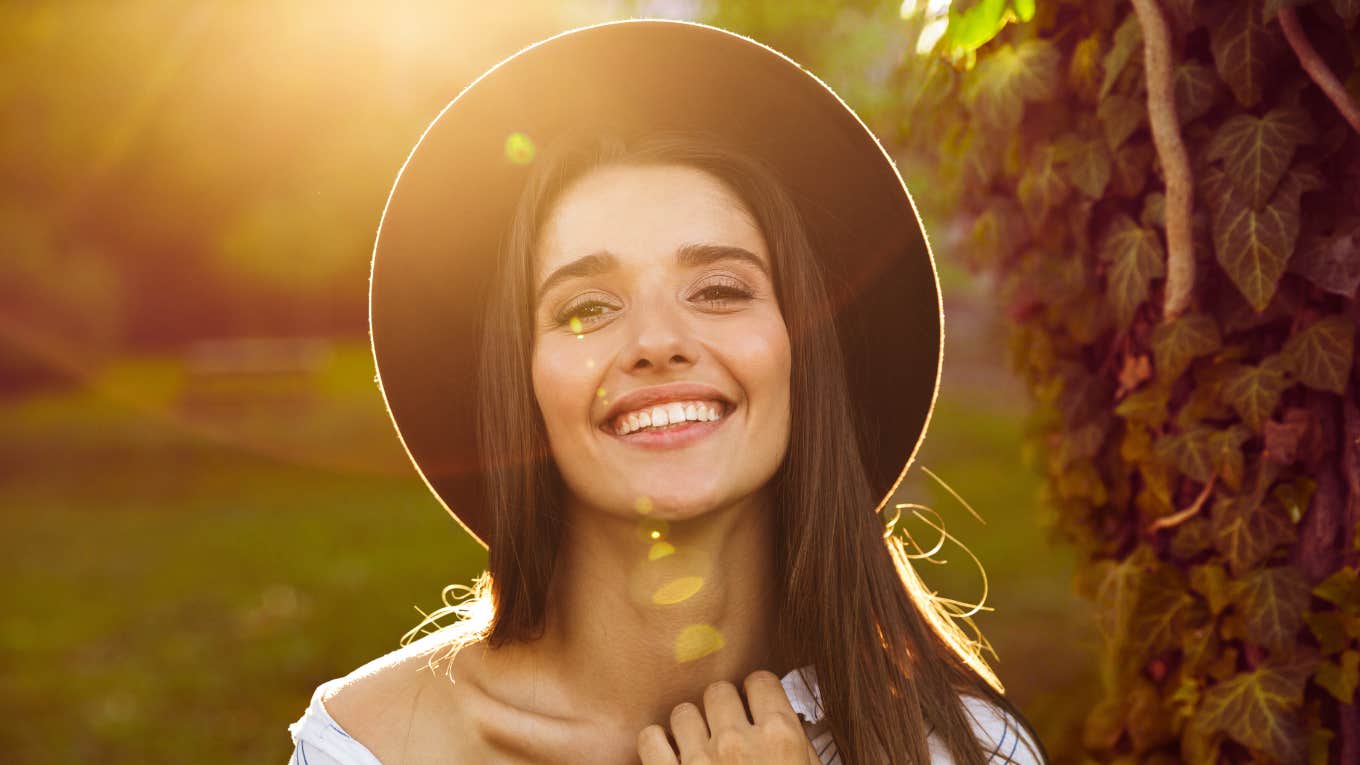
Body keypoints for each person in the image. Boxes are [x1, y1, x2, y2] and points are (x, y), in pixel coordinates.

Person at [287, 19, 1049, 765]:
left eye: (718, 289)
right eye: (587, 308)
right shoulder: (369, 746)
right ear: (521, 384)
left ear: (799, 353)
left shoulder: (965, 747)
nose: (657, 341)